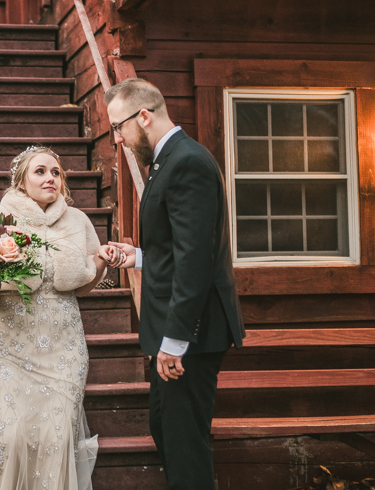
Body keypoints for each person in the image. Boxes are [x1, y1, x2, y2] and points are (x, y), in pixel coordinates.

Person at [103, 78, 246, 490]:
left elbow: (197, 260)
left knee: (185, 447)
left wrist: (175, 341)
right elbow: (181, 246)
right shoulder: (168, 161)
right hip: (178, 332)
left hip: (191, 335)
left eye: (119, 127)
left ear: (143, 116)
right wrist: (140, 256)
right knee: (164, 427)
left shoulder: (188, 162)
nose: (118, 138)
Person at [0, 146, 117, 490]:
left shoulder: (78, 221)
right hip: (11, 348)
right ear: (21, 180)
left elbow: (83, 285)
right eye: (40, 171)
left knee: (54, 438)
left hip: (63, 348)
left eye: (56, 172)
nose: (50, 178)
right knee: (9, 436)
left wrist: (100, 259)